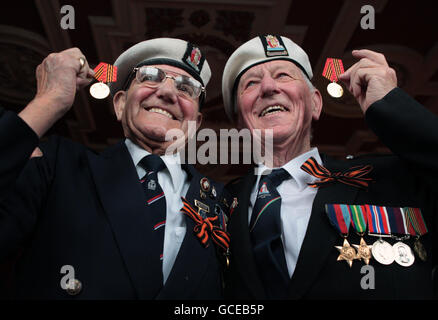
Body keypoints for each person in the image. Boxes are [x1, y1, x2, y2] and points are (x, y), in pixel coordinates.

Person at [0, 38, 232, 299]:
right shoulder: (59, 165)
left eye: (186, 88)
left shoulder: (222, 202)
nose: (168, 93)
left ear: (196, 122)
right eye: (151, 76)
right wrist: (49, 102)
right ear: (120, 104)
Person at [221, 35, 437, 299]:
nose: (267, 86)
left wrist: (392, 108)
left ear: (315, 103)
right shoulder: (218, 207)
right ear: (240, 124)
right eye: (251, 83)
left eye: (283, 75)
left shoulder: (387, 178)